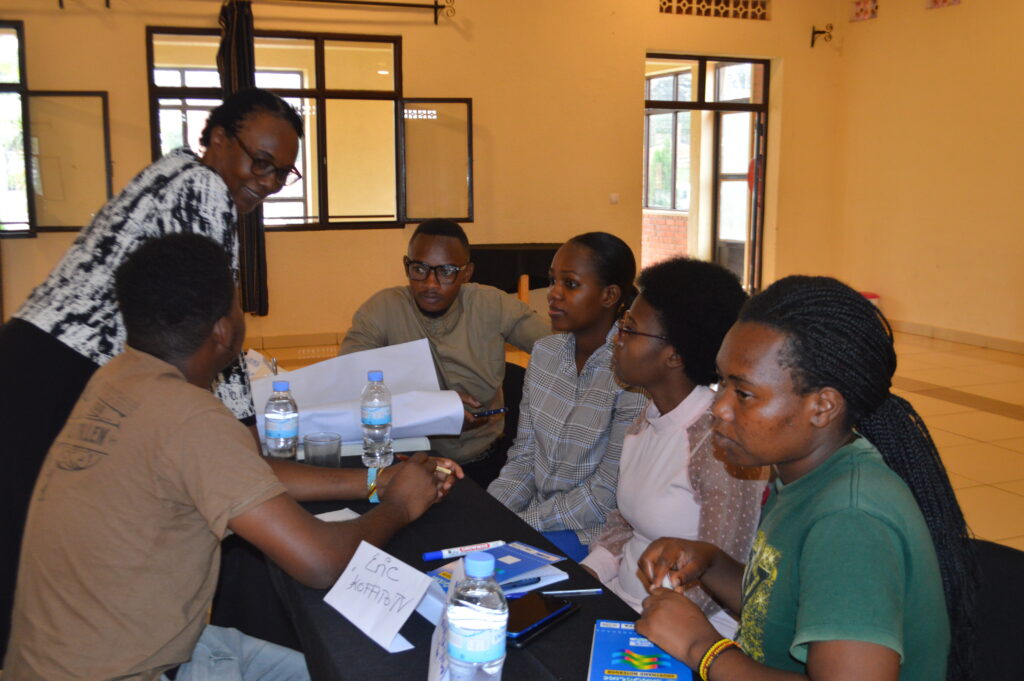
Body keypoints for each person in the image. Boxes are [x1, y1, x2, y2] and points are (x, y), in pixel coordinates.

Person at [3, 233, 462, 681]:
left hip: (104, 654)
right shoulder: (191, 416)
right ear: (224, 328)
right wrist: (399, 505)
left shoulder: (118, 379)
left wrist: (376, 480)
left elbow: (241, 470)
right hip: (136, 669)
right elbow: (320, 563)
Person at [0, 88, 303, 656]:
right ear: (217, 137)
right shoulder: (203, 186)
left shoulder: (171, 172)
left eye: (281, 173)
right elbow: (214, 324)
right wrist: (245, 437)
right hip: (51, 376)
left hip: (32, 362)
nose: (266, 182)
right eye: (260, 162)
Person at [635, 276, 976, 681]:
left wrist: (701, 648)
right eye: (721, 381)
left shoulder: (850, 520)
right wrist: (710, 563)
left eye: (743, 393)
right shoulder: (804, 474)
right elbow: (782, 607)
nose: (719, 408)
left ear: (823, 407)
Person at [579, 257, 766, 636]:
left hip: (688, 628)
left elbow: (720, 574)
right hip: (625, 602)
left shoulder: (720, 445)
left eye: (630, 329)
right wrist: (588, 572)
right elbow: (625, 523)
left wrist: (631, 622)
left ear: (675, 355)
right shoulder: (647, 419)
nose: (616, 339)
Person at [340, 219, 550, 486]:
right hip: (409, 464)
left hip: (488, 461)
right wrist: (430, 407)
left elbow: (558, 350)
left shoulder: (493, 305)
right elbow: (346, 380)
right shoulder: (382, 309)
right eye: (419, 269)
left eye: (447, 271)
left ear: (467, 272)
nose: (431, 283)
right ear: (406, 266)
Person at [487, 232, 648, 561]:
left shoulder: (632, 373)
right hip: (537, 519)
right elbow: (525, 457)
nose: (553, 294)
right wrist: (489, 511)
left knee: (491, 567)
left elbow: (605, 493)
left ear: (609, 295)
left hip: (593, 534)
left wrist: (519, 525)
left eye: (570, 284)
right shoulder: (545, 352)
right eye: (552, 281)